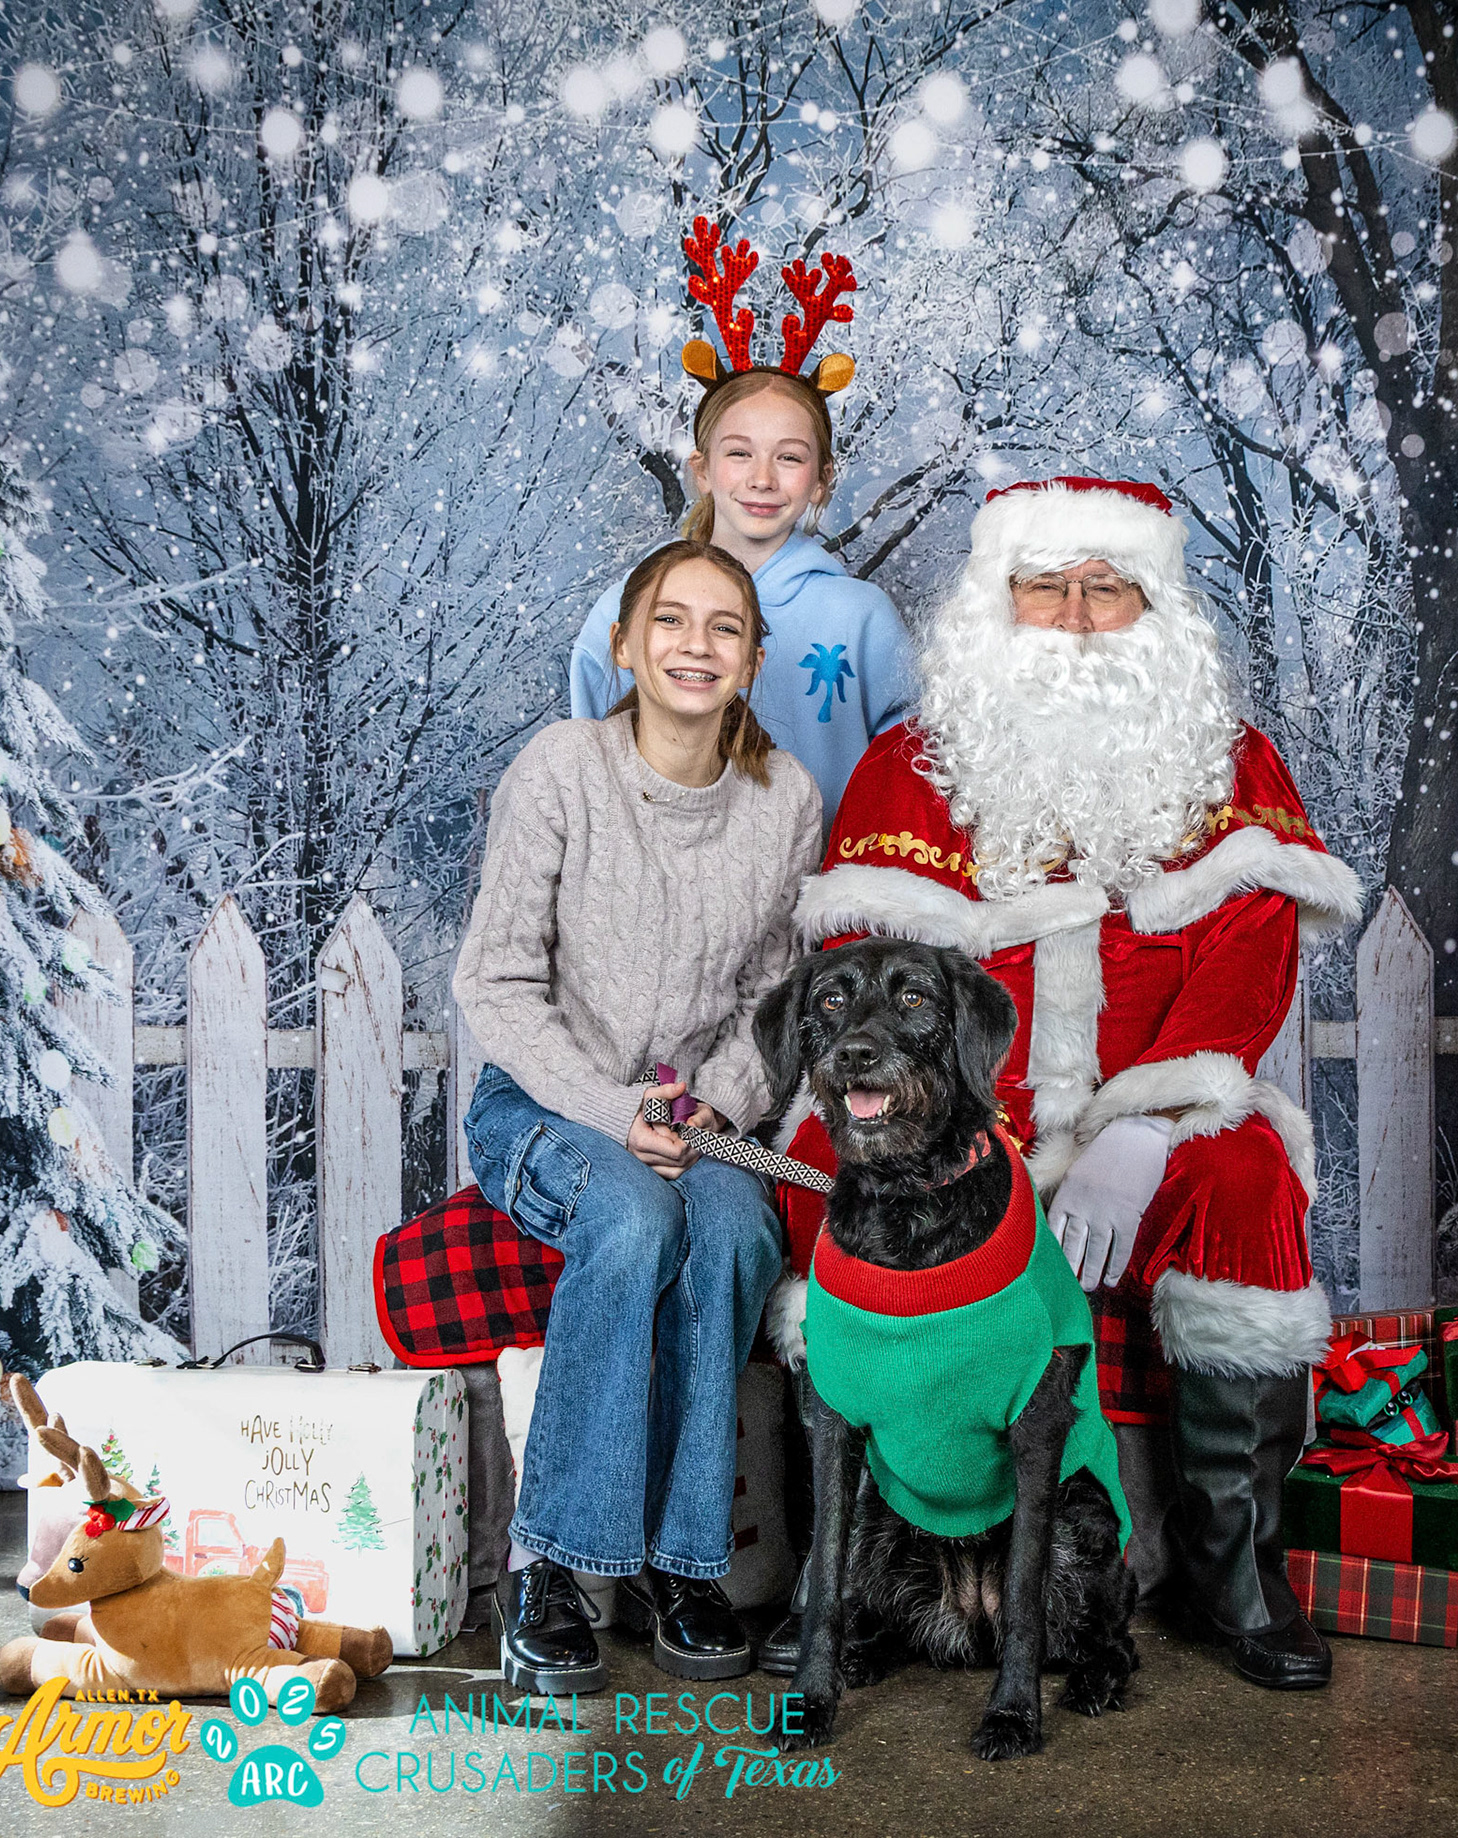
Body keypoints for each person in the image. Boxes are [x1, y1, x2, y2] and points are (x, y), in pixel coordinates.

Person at [769, 477, 1363, 1691]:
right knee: (824, 1163)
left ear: (1158, 607)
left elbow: (1247, 966)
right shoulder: (909, 769)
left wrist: (1144, 1127)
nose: (1078, 615)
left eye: (1109, 587)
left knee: (1249, 1177)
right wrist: (961, 1129)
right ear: (998, 601)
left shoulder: (1233, 764)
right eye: (1047, 585)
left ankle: (1235, 1570)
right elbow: (865, 988)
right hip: (957, 1118)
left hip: (1159, 1121)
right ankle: (847, 1570)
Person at [453, 538, 821, 1694]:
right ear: (624, 644)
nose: (694, 645)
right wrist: (611, 1111)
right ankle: (551, 1569)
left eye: (724, 627)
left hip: (695, 1111)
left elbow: (772, 998)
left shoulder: (786, 800)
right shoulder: (562, 768)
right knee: (631, 1220)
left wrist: (721, 1099)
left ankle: (684, 1564)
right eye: (670, 619)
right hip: (544, 1102)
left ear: (752, 660)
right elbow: (493, 982)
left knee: (735, 1229)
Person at [568, 225, 915, 835]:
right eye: (738, 453)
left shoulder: (862, 618)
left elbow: (908, 774)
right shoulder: (629, 604)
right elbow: (589, 760)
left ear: (822, 480)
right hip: (660, 880)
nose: (762, 478)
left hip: (826, 887)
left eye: (789, 457)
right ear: (701, 470)